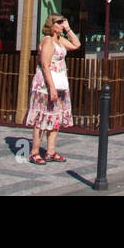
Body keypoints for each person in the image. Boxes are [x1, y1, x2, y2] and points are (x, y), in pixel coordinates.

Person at [25, 13, 80, 165]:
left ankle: (51, 151)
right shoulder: (48, 40)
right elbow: (45, 65)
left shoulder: (60, 40)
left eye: (63, 22)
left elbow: (76, 45)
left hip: (60, 81)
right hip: (46, 84)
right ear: (52, 24)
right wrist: (51, 88)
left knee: (55, 116)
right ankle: (35, 152)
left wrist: (68, 30)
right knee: (42, 117)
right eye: (59, 22)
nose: (62, 25)